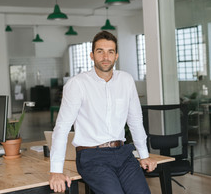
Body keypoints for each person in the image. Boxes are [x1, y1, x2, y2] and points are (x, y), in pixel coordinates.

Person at [49, 31, 157, 193]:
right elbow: (62, 128)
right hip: (92, 156)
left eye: (110, 52)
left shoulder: (126, 80)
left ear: (116, 56)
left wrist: (144, 154)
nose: (105, 57)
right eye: (100, 51)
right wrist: (56, 171)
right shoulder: (77, 84)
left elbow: (135, 120)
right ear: (92, 55)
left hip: (123, 153)